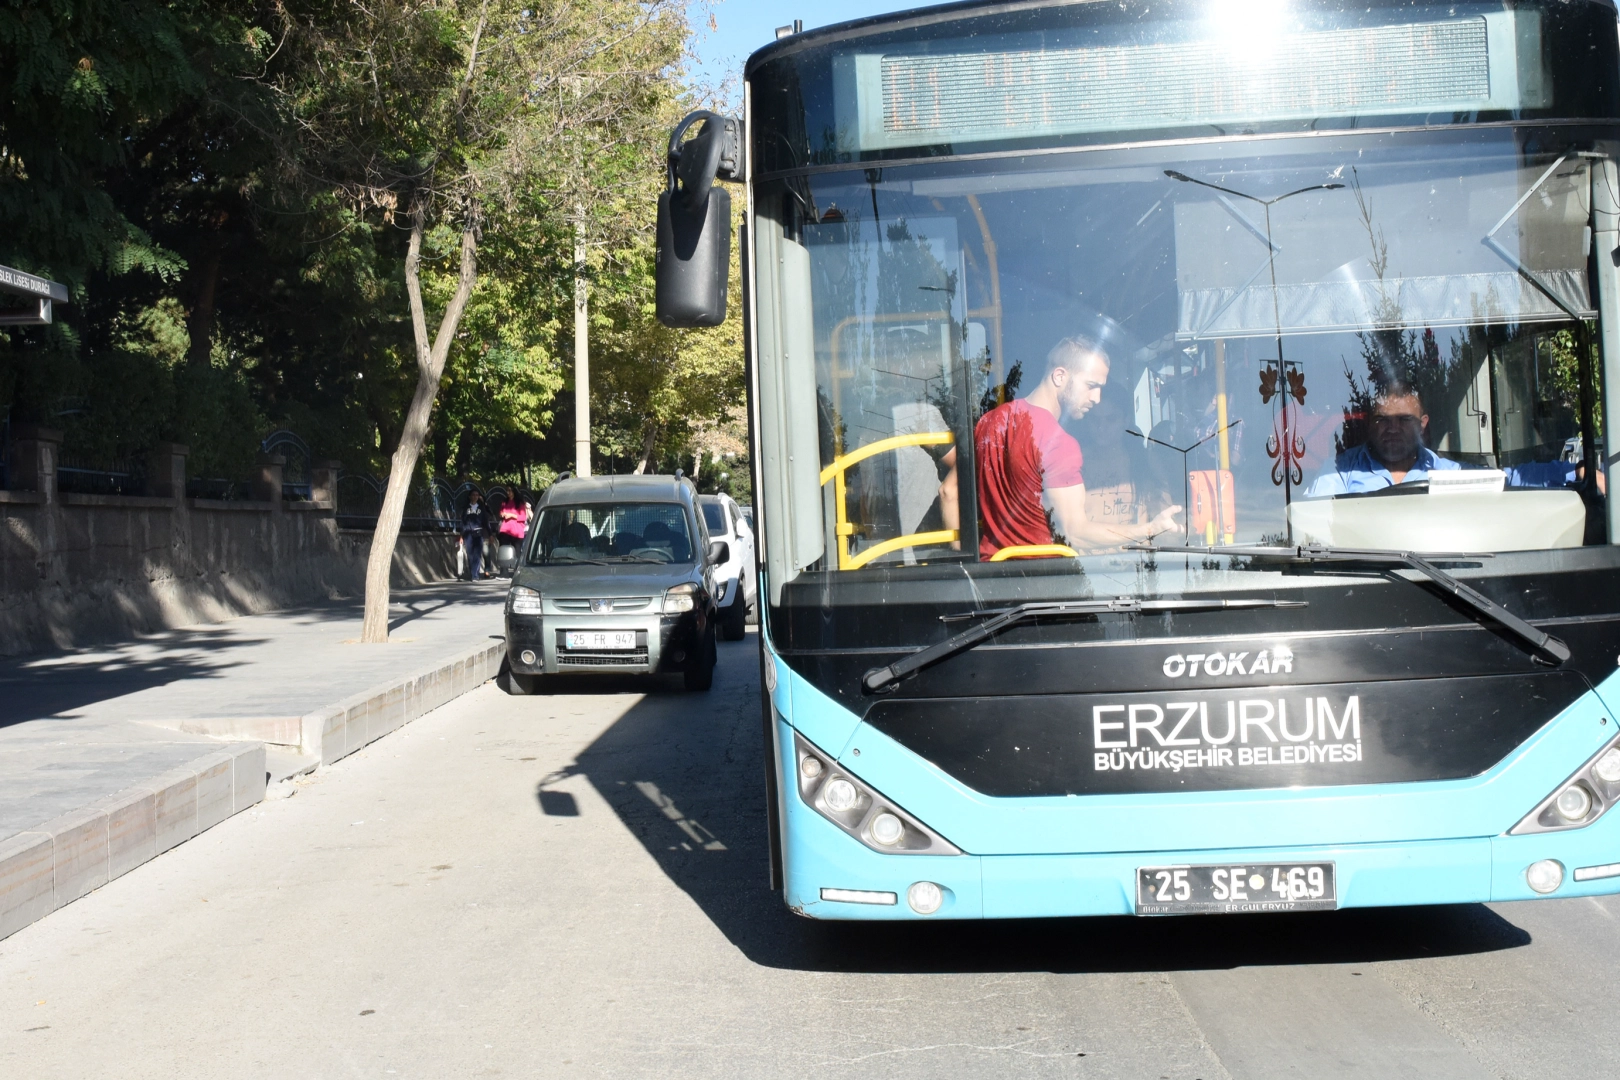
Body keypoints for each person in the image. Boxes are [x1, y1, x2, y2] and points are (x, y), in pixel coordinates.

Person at [972, 335, 1181, 557]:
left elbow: (949, 492)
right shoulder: (1059, 444)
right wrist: (1151, 529)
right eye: (1091, 385)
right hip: (1040, 578)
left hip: (990, 575)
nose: (1097, 398)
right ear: (1060, 376)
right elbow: (1075, 533)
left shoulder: (988, 422)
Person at [1305, 382, 1599, 496]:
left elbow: (1509, 480)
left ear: (1423, 425)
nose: (1392, 429)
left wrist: (1573, 472)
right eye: (1383, 420)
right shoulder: (1341, 472)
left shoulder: (1445, 473)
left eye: (1404, 420)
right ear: (1371, 424)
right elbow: (1314, 525)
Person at [461, 491, 488, 580]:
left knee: (477, 554)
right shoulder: (466, 508)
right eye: (473, 495)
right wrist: (461, 535)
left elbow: (485, 521)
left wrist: (490, 534)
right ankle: (474, 572)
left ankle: (475, 576)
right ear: (470, 496)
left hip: (478, 533)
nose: (475, 497)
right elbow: (463, 522)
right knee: (470, 554)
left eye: (477, 495)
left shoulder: (481, 508)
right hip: (468, 533)